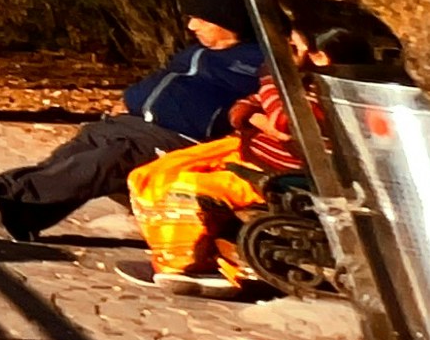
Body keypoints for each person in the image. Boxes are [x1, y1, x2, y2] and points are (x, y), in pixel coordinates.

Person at [0, 0, 264, 243]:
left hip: (183, 138)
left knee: (109, 160)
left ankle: (11, 200)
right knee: (80, 149)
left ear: (228, 22)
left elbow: (264, 100)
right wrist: (131, 99)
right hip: (134, 122)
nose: (191, 27)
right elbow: (163, 79)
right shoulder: (196, 52)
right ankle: (15, 204)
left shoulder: (257, 60)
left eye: (201, 20)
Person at [129, 20, 381, 293]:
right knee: (153, 173)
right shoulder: (299, 83)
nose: (284, 52)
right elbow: (241, 109)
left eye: (294, 47)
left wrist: (272, 80)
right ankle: (169, 253)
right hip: (247, 149)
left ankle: (190, 265)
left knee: (186, 189)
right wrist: (257, 115)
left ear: (321, 57)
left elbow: (286, 122)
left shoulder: (329, 98)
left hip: (276, 171)